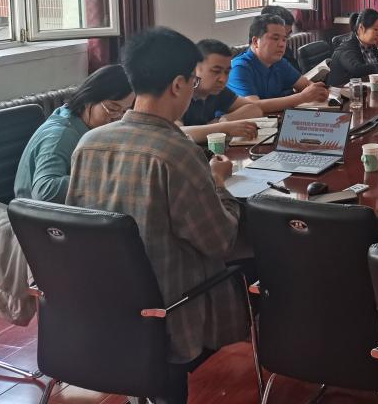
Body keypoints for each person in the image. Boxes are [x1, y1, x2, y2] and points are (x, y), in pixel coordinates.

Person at [66, 28, 249, 404]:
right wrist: (218, 184)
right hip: (170, 309)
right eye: (194, 81)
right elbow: (219, 241)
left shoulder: (88, 144)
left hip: (103, 301)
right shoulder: (177, 153)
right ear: (179, 84)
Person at [13, 65, 134, 203]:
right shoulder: (61, 135)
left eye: (125, 111)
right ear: (88, 99)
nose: (118, 118)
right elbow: (44, 191)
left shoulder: (83, 122)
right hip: (34, 212)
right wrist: (101, 179)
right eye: (112, 109)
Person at [227, 14, 328, 113]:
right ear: (255, 41)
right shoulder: (239, 68)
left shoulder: (279, 62)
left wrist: (317, 91)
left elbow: (305, 84)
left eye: (284, 39)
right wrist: (301, 97)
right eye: (275, 38)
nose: (282, 44)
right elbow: (252, 106)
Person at [180, 39, 264, 144]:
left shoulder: (217, 91)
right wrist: (223, 128)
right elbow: (177, 133)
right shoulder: (180, 93)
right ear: (194, 68)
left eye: (227, 72)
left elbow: (254, 109)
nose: (223, 79)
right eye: (216, 71)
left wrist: (225, 119)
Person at [327, 8, 378, 87]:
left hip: (365, 88)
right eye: (375, 29)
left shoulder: (371, 46)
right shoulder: (346, 48)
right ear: (361, 28)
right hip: (342, 92)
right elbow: (358, 69)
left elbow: (377, 65)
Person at [261, 4, 301, 70]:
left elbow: (297, 73)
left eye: (287, 36)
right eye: (277, 38)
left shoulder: (286, 52)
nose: (283, 43)